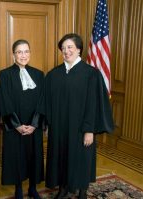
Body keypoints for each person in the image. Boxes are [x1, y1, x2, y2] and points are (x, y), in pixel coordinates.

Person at [43, 33, 114, 199]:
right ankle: (63, 187)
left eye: (70, 47)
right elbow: (46, 102)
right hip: (59, 128)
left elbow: (94, 104)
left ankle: (82, 191)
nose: (66, 51)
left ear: (79, 50)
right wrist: (48, 124)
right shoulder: (54, 74)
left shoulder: (91, 74)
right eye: (64, 48)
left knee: (81, 158)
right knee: (60, 156)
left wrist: (89, 130)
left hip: (81, 128)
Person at [0, 39, 44, 199]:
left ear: (30, 53)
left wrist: (34, 124)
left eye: (26, 51)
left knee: (33, 156)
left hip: (33, 125)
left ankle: (32, 188)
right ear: (13, 55)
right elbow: (4, 101)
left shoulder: (39, 74)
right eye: (19, 52)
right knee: (17, 157)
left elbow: (42, 102)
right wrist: (16, 125)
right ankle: (18, 189)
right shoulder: (5, 75)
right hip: (15, 126)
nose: (23, 55)